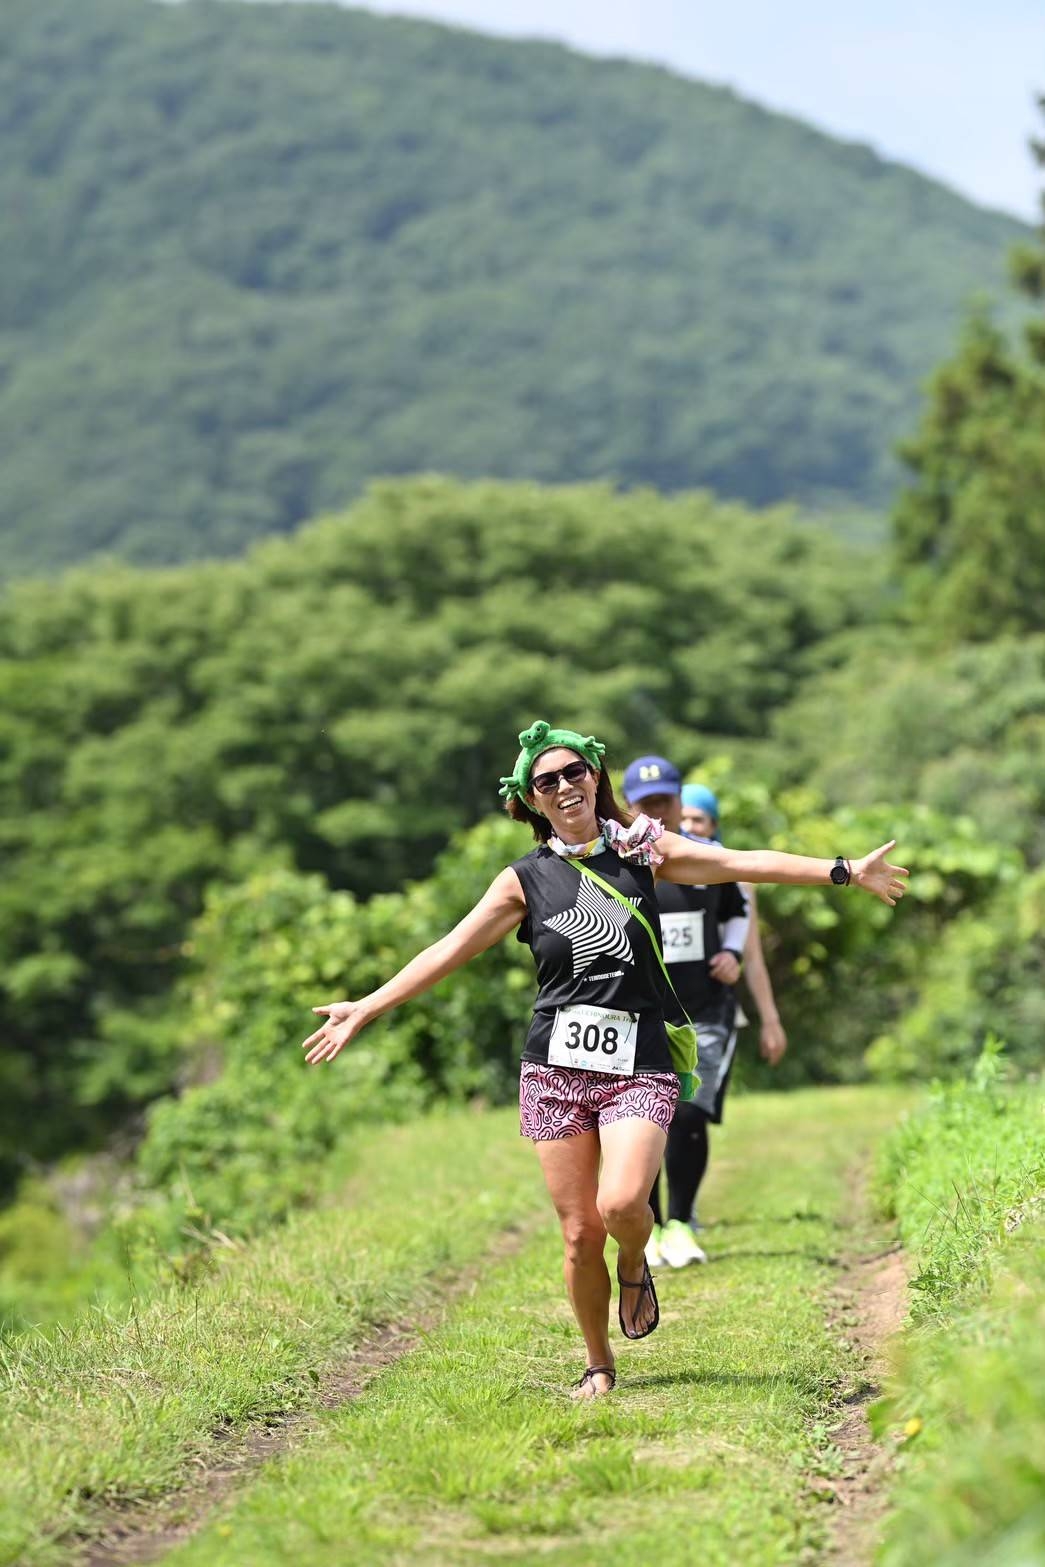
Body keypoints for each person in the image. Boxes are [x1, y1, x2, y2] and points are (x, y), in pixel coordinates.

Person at [302, 720, 908, 1400]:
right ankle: (598, 1363)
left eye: (573, 772)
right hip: (554, 1070)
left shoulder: (643, 850)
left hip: (640, 1061)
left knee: (621, 1204)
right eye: (546, 781)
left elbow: (741, 863)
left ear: (595, 777)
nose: (563, 786)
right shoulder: (524, 880)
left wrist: (842, 870)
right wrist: (367, 1006)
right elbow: (447, 949)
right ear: (530, 800)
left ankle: (635, 1260)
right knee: (577, 1232)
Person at [622, 760, 750, 1269]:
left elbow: (738, 911)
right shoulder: (619, 862)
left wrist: (733, 953)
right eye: (646, 803)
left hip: (705, 1009)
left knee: (689, 1112)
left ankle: (680, 1223)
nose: (658, 810)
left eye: (665, 800)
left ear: (679, 801)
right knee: (645, 1119)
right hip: (643, 1014)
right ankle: (650, 1227)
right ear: (629, 805)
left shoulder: (705, 855)